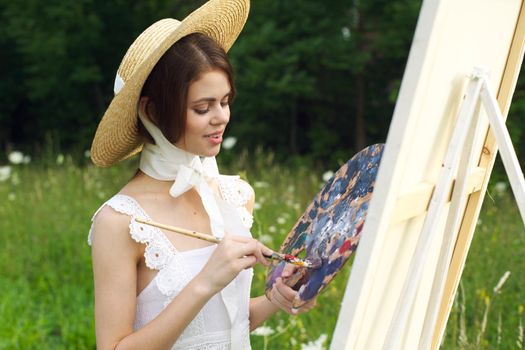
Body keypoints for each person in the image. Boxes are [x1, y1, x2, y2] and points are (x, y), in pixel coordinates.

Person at [88, 0, 316, 349]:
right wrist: (205, 282)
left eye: (224, 101)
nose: (221, 117)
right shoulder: (120, 222)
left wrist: (276, 297)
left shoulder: (235, 197)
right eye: (202, 107)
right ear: (152, 111)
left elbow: (228, 327)